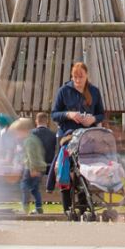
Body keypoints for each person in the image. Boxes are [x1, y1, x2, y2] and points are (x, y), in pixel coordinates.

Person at [49, 61, 105, 214]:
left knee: (84, 169)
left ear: (86, 75)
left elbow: (101, 114)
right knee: (66, 168)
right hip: (67, 136)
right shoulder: (64, 91)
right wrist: (68, 114)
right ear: (71, 77)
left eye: (81, 77)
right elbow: (54, 114)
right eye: (75, 77)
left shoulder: (94, 91)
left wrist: (93, 119)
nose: (78, 81)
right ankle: (67, 206)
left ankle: (83, 204)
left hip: (87, 136)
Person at [10, 117, 47, 215]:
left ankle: (25, 208)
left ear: (23, 131)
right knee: (35, 189)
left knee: (24, 186)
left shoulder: (28, 141)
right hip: (40, 166)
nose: (17, 135)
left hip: (31, 167)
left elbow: (31, 156)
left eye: (17, 133)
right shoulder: (34, 138)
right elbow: (40, 152)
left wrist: (33, 169)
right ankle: (39, 208)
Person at [32, 112, 56, 177]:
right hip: (48, 167)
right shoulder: (53, 135)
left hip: (34, 167)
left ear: (36, 121)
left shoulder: (30, 134)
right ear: (47, 121)